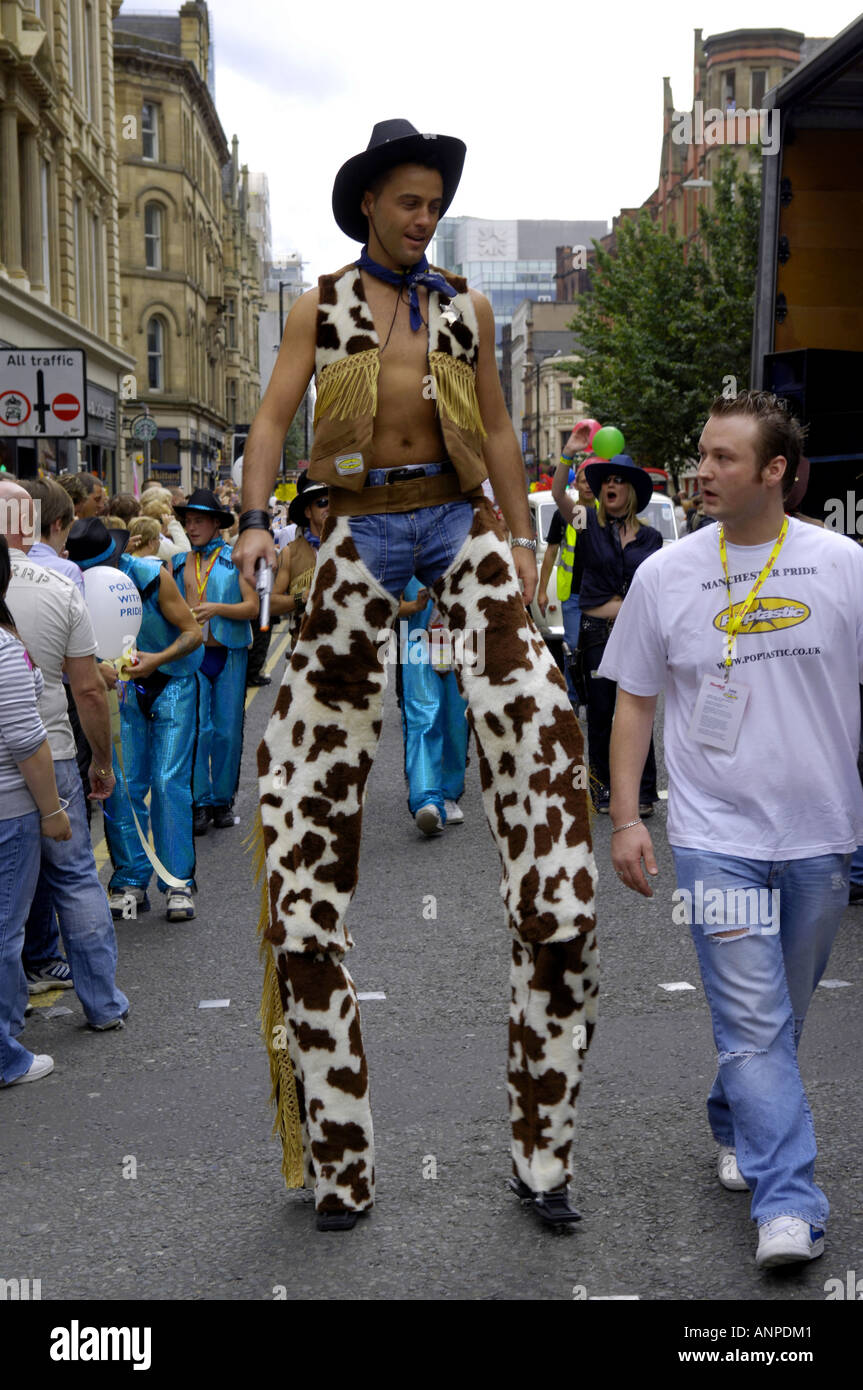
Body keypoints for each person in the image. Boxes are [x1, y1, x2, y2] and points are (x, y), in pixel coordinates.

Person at [235, 118, 598, 1232]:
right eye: (406, 198)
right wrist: (256, 521)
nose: (423, 213)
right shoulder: (324, 303)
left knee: (545, 777)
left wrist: (525, 544)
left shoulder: (463, 307)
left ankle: (543, 1159)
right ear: (367, 206)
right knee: (301, 861)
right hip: (350, 525)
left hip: (454, 526)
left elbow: (492, 423)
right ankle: (341, 1166)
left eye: (433, 199)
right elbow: (272, 413)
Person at [603, 389, 863, 1270]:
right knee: (753, 1021)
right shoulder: (663, 574)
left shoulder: (841, 566)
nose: (699, 472)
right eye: (699, 456)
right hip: (714, 834)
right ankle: (788, 1203)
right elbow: (634, 699)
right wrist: (628, 816)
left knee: (775, 1015)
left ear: (776, 472)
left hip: (821, 831)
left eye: (721, 458)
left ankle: (735, 1120)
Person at [1, 482, 129, 1032]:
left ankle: (9, 1026)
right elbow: (90, 690)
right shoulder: (58, 586)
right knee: (76, 878)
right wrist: (102, 760)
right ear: (32, 524)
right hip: (51, 750)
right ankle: (102, 1005)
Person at [66, 518, 204, 922]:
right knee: (122, 784)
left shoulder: (150, 575)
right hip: (120, 688)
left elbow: (192, 632)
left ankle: (178, 882)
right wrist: (96, 669)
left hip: (172, 681)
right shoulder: (74, 587)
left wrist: (157, 660)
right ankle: (129, 879)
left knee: (167, 781)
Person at [552, 449, 662, 813]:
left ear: (631, 491)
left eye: (619, 480)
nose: (611, 485)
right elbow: (557, 496)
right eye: (607, 481)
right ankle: (601, 789)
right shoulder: (586, 523)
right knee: (601, 714)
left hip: (637, 633)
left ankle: (644, 793)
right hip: (597, 630)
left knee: (637, 709)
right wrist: (567, 457)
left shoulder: (651, 539)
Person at [0, 534, 72, 1086]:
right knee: (6, 932)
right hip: (8, 810)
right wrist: (51, 811)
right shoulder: (3, 648)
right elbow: (27, 739)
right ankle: (4, 1055)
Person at [173, 489, 258, 835]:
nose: (191, 528)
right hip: (192, 655)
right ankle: (200, 802)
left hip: (228, 651)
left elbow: (252, 608)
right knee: (196, 731)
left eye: (198, 521)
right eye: (188, 521)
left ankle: (223, 800)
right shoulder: (176, 563)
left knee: (226, 731)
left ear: (215, 524)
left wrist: (218, 608)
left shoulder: (236, 560)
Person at [397, 576, 468, 834]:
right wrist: (414, 607)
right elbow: (384, 604)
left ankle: (448, 795)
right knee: (423, 718)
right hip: (418, 643)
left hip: (459, 641)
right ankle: (427, 800)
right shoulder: (403, 549)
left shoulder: (460, 543)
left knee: (456, 723)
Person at [269, 475, 328, 653]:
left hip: (344, 656)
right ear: (308, 512)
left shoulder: (350, 548)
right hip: (303, 657)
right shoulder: (290, 552)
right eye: (322, 502)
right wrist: (301, 597)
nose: (329, 508)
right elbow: (272, 604)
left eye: (334, 502)